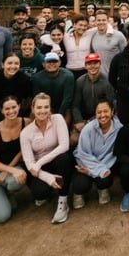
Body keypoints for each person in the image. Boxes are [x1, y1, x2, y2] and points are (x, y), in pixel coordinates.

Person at [20, 92, 73, 224]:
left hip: (55, 161)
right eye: (39, 107)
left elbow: (64, 146)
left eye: (46, 107)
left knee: (64, 159)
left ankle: (63, 201)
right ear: (32, 109)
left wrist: (40, 163)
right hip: (39, 169)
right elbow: (30, 164)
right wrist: (48, 178)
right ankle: (48, 191)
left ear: (50, 108)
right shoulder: (25, 133)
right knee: (41, 192)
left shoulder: (58, 119)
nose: (42, 111)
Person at [72, 99, 123, 209]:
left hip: (105, 163)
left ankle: (102, 189)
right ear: (95, 114)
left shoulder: (119, 129)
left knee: (105, 179)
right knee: (81, 185)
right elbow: (83, 154)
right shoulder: (88, 129)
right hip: (85, 163)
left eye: (106, 111)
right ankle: (78, 194)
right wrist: (96, 170)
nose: (103, 115)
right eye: (99, 112)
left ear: (112, 111)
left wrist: (94, 172)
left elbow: (113, 154)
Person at [71, 52, 115, 141]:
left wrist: (95, 121)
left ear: (99, 64)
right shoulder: (80, 81)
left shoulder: (107, 81)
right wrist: (79, 120)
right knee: (74, 140)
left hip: (101, 117)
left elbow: (111, 104)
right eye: (89, 64)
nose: (92, 66)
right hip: (83, 118)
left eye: (95, 63)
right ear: (85, 66)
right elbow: (75, 105)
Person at [0, 52, 34, 126]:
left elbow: (28, 99)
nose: (13, 66)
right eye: (9, 63)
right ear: (3, 65)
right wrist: (2, 116)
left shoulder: (25, 79)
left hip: (18, 110)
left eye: (16, 63)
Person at [32, 52, 75, 126]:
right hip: (44, 107)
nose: (52, 64)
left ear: (59, 63)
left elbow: (67, 99)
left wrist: (58, 116)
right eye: (48, 62)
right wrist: (48, 112)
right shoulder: (36, 78)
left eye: (54, 61)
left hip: (63, 108)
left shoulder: (68, 76)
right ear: (43, 64)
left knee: (63, 124)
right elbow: (38, 98)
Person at [90, 9, 127, 76]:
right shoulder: (92, 35)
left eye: (104, 20)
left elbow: (126, 55)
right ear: (95, 21)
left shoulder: (118, 35)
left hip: (115, 75)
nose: (101, 22)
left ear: (107, 21)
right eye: (99, 20)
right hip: (98, 76)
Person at [63, 14, 96, 79]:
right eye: (80, 25)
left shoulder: (89, 33)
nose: (83, 28)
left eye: (85, 26)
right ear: (74, 24)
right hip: (70, 71)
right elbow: (46, 37)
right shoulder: (66, 36)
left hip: (86, 70)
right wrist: (54, 45)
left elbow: (104, 25)